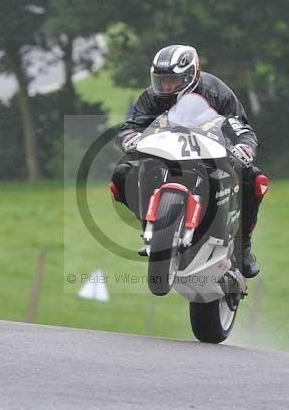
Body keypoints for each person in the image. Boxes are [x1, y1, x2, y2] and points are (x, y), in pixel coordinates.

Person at [110, 44, 267, 278]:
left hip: (210, 155)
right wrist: (130, 138)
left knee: (254, 179)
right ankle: (150, 226)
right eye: (161, 79)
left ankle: (243, 247)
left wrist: (245, 146)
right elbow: (130, 126)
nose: (166, 86)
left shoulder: (217, 92)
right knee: (121, 175)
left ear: (190, 75)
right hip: (164, 155)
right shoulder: (151, 97)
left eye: (172, 80)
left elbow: (240, 126)